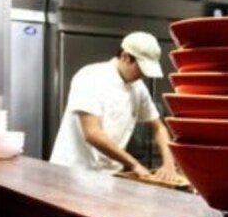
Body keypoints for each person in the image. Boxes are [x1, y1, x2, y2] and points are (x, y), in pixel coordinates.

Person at [50, 31, 178, 181]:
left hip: (109, 175)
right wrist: (134, 164)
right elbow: (92, 133)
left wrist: (169, 163)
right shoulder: (90, 77)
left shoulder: (138, 88)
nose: (144, 75)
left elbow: (158, 127)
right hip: (73, 171)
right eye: (141, 68)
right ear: (125, 56)